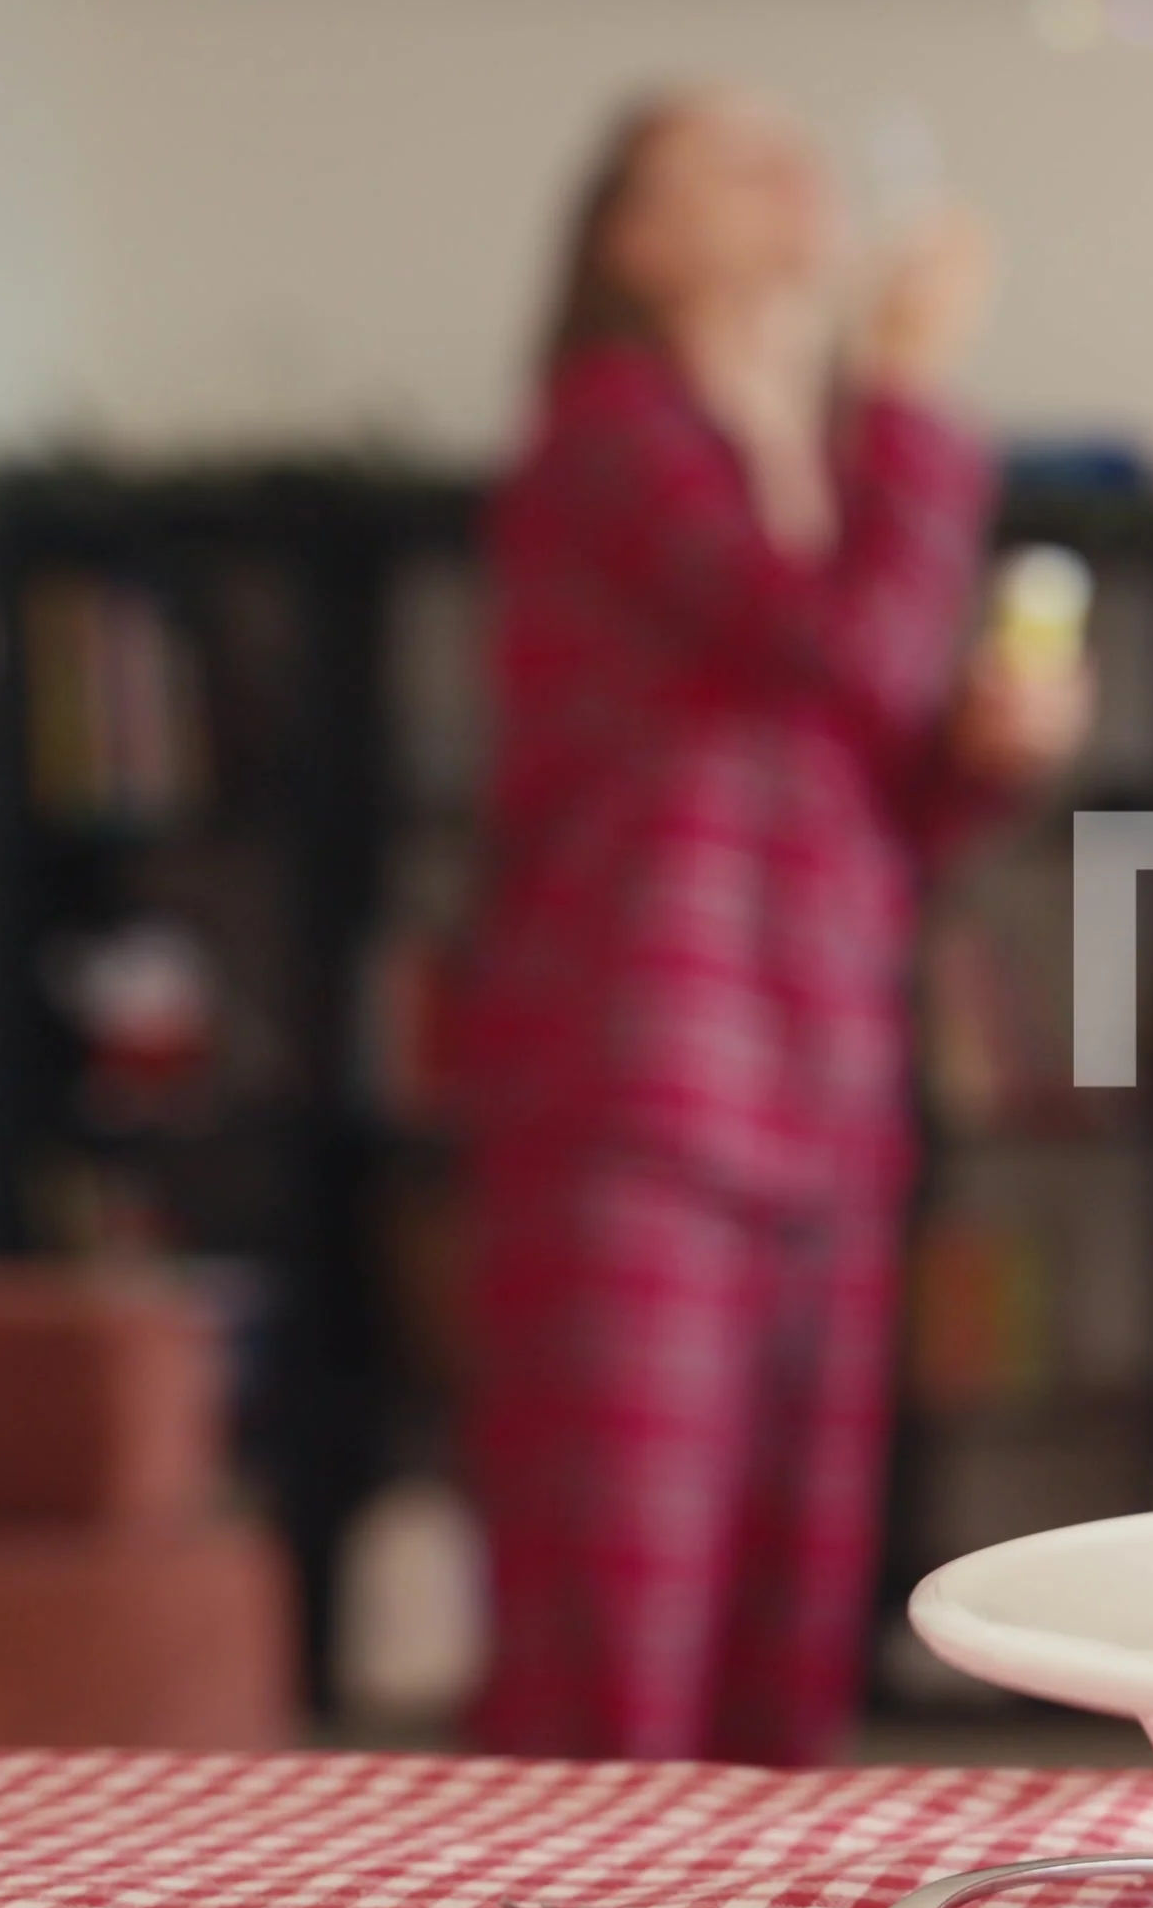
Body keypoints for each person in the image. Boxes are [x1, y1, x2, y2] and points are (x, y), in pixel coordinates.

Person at [458, 87, 1087, 1762]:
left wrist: (984, 761)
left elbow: (868, 806)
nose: (797, 169)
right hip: (639, 1088)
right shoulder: (615, 430)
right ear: (633, 240)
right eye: (734, 161)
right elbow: (856, 656)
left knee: (785, 1648)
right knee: (618, 1644)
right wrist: (909, 391)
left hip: (819, 1095)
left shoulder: (810, 462)